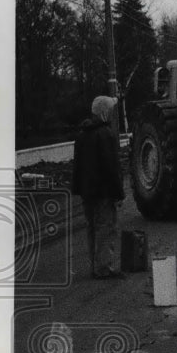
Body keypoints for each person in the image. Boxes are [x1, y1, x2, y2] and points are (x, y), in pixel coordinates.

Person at [71, 96, 124, 279]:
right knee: (106, 227)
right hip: (103, 193)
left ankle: (95, 266)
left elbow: (77, 165)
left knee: (92, 227)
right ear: (104, 112)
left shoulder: (81, 134)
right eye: (110, 109)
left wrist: (77, 189)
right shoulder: (106, 134)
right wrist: (118, 193)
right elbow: (112, 168)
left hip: (88, 192)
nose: (112, 113)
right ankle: (104, 268)